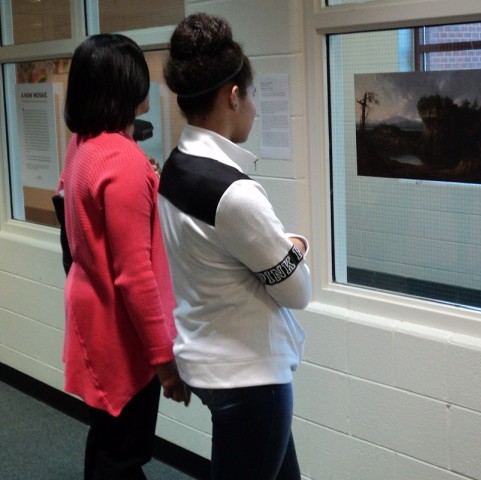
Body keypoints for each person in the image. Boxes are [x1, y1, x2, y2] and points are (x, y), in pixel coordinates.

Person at [159, 13, 311, 480]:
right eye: (252, 95)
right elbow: (298, 291)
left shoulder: (175, 167)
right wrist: (295, 245)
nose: (255, 108)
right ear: (232, 95)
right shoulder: (235, 193)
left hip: (209, 361)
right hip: (251, 381)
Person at [56, 33, 189, 480]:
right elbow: (136, 276)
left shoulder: (81, 145)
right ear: (122, 87)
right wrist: (163, 361)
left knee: (107, 445)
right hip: (121, 336)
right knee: (124, 457)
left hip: (92, 319)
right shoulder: (123, 163)